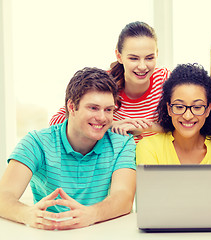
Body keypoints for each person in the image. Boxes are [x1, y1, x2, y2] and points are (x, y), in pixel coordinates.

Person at [0, 67, 136, 230]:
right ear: (72, 107)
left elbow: (124, 198)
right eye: (93, 108)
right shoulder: (36, 142)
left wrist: (91, 214)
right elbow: (4, 196)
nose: (102, 117)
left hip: (100, 233)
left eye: (108, 110)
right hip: (50, 233)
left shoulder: (123, 144)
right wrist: (28, 214)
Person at [49, 21, 170, 142]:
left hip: (155, 158)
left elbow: (185, 125)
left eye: (149, 58)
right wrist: (109, 124)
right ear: (119, 56)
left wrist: (146, 128)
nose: (143, 66)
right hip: (111, 159)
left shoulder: (166, 79)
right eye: (133, 58)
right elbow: (56, 121)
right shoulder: (103, 83)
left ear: (157, 54)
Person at [136, 63, 211, 165]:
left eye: (197, 107)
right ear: (169, 109)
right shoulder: (148, 148)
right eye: (179, 107)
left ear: (208, 110)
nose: (187, 116)